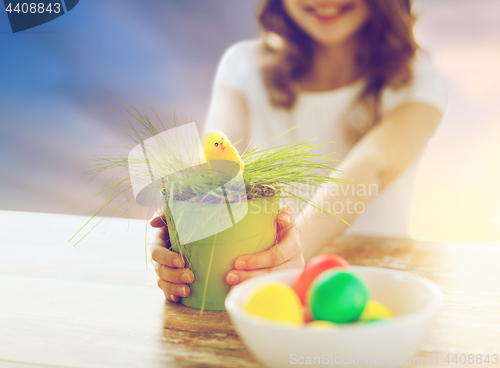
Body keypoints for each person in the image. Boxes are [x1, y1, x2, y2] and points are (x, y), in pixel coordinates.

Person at [149, 0, 448, 302]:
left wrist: (293, 249)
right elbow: (218, 164)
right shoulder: (242, 67)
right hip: (261, 289)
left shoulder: (416, 81)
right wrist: (180, 229)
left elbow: (373, 164)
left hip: (379, 290)